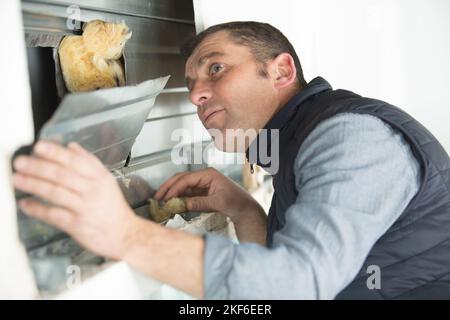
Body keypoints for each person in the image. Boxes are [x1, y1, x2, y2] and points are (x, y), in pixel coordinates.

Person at [12, 21, 450, 299]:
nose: (196, 95)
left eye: (215, 68)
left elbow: (295, 286)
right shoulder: (293, 142)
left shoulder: (351, 137)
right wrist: (243, 208)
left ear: (280, 71)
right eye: (190, 84)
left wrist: (124, 234)